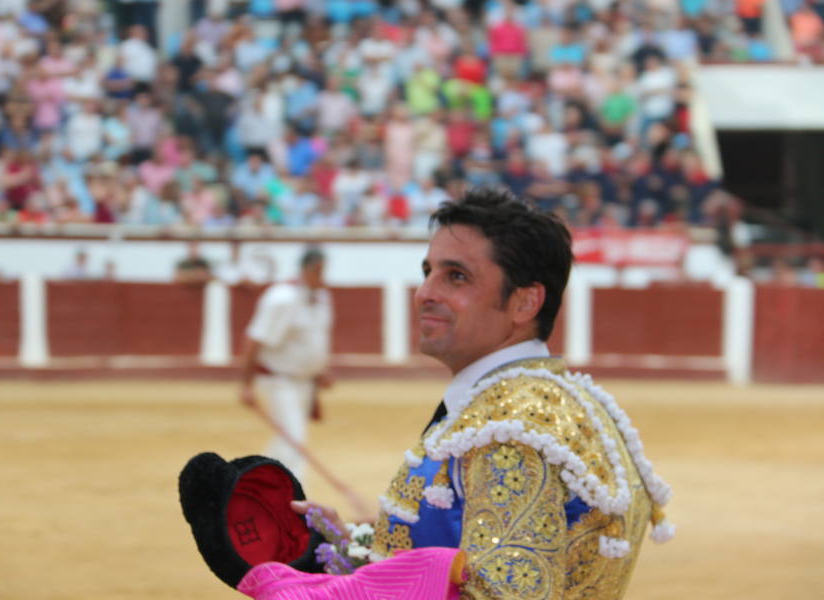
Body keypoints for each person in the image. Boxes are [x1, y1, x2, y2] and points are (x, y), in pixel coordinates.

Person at [289, 189, 674, 598]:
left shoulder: (509, 431)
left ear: (525, 302)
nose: (425, 293)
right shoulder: (561, 402)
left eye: (456, 276)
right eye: (428, 272)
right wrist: (349, 554)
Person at [240, 246, 333, 482]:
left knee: (287, 439)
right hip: (278, 380)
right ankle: (294, 498)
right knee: (294, 439)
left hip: (304, 383)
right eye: (318, 270)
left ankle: (248, 483)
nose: (322, 276)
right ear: (306, 269)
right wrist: (246, 385)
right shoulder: (281, 298)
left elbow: (315, 340)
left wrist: (320, 371)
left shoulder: (321, 298)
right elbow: (254, 340)